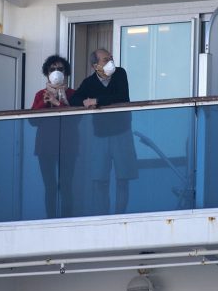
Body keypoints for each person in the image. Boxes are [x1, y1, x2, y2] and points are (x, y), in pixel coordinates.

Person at [70, 49, 138, 214]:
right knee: (100, 179)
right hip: (100, 135)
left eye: (111, 58)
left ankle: (120, 214)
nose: (110, 62)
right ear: (95, 65)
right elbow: (74, 100)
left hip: (122, 132)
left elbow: (122, 97)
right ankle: (103, 214)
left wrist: (98, 101)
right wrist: (86, 102)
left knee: (123, 178)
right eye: (106, 59)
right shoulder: (89, 82)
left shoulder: (120, 73)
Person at [30, 55, 76, 218]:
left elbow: (76, 118)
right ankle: (51, 219)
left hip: (68, 146)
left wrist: (58, 102)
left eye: (60, 69)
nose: (56, 72)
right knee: (50, 186)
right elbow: (32, 120)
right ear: (47, 73)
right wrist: (45, 101)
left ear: (66, 72)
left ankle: (67, 219)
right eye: (52, 69)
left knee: (66, 185)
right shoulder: (40, 94)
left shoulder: (72, 94)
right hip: (45, 147)